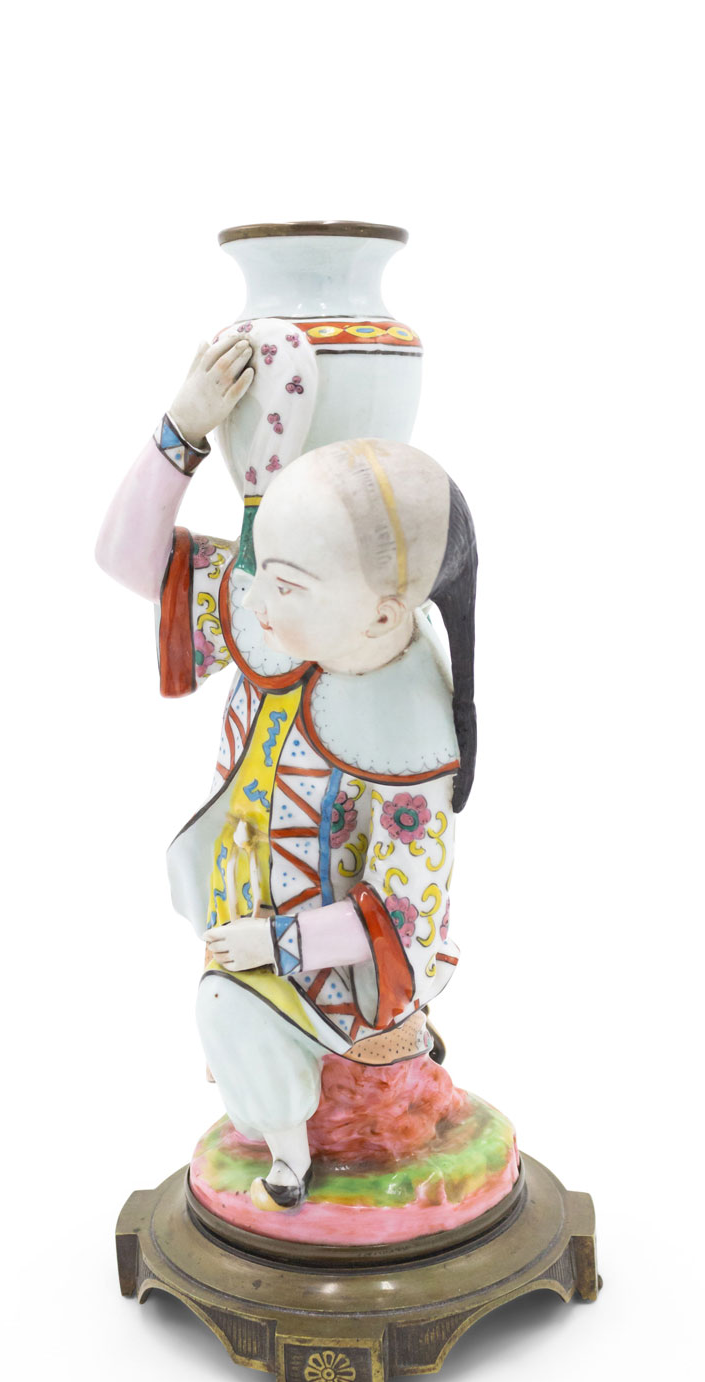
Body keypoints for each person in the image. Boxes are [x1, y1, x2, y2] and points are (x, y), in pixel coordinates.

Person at [97, 336, 478, 1210]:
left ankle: (302, 1153)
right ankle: (281, 1125)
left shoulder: (406, 726)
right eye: (259, 576)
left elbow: (407, 915)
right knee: (232, 1021)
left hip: (336, 982)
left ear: (384, 614)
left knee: (233, 1015)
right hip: (242, 915)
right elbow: (127, 561)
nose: (255, 607)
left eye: (287, 586)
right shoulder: (277, 601)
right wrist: (181, 431)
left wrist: (278, 945)